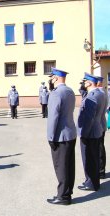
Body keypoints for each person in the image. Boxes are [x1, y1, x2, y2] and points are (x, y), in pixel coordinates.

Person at [46, 68, 76, 205]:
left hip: (60, 136)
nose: (50, 80)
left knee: (61, 167)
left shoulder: (56, 94)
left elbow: (53, 118)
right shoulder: (70, 91)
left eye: (51, 77)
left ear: (55, 78)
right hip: (71, 134)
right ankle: (67, 193)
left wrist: (50, 137)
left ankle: (62, 197)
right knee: (69, 166)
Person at [77, 73, 104, 191]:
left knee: (89, 159)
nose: (83, 83)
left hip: (90, 132)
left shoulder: (92, 96)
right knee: (94, 158)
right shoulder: (100, 93)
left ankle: (91, 183)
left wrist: (84, 134)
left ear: (89, 82)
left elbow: (88, 118)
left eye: (85, 81)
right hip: (97, 129)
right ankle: (94, 181)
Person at [96, 76, 108, 179]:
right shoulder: (103, 92)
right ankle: (101, 170)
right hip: (101, 123)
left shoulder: (100, 93)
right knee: (100, 147)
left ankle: (100, 171)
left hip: (98, 124)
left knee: (99, 148)